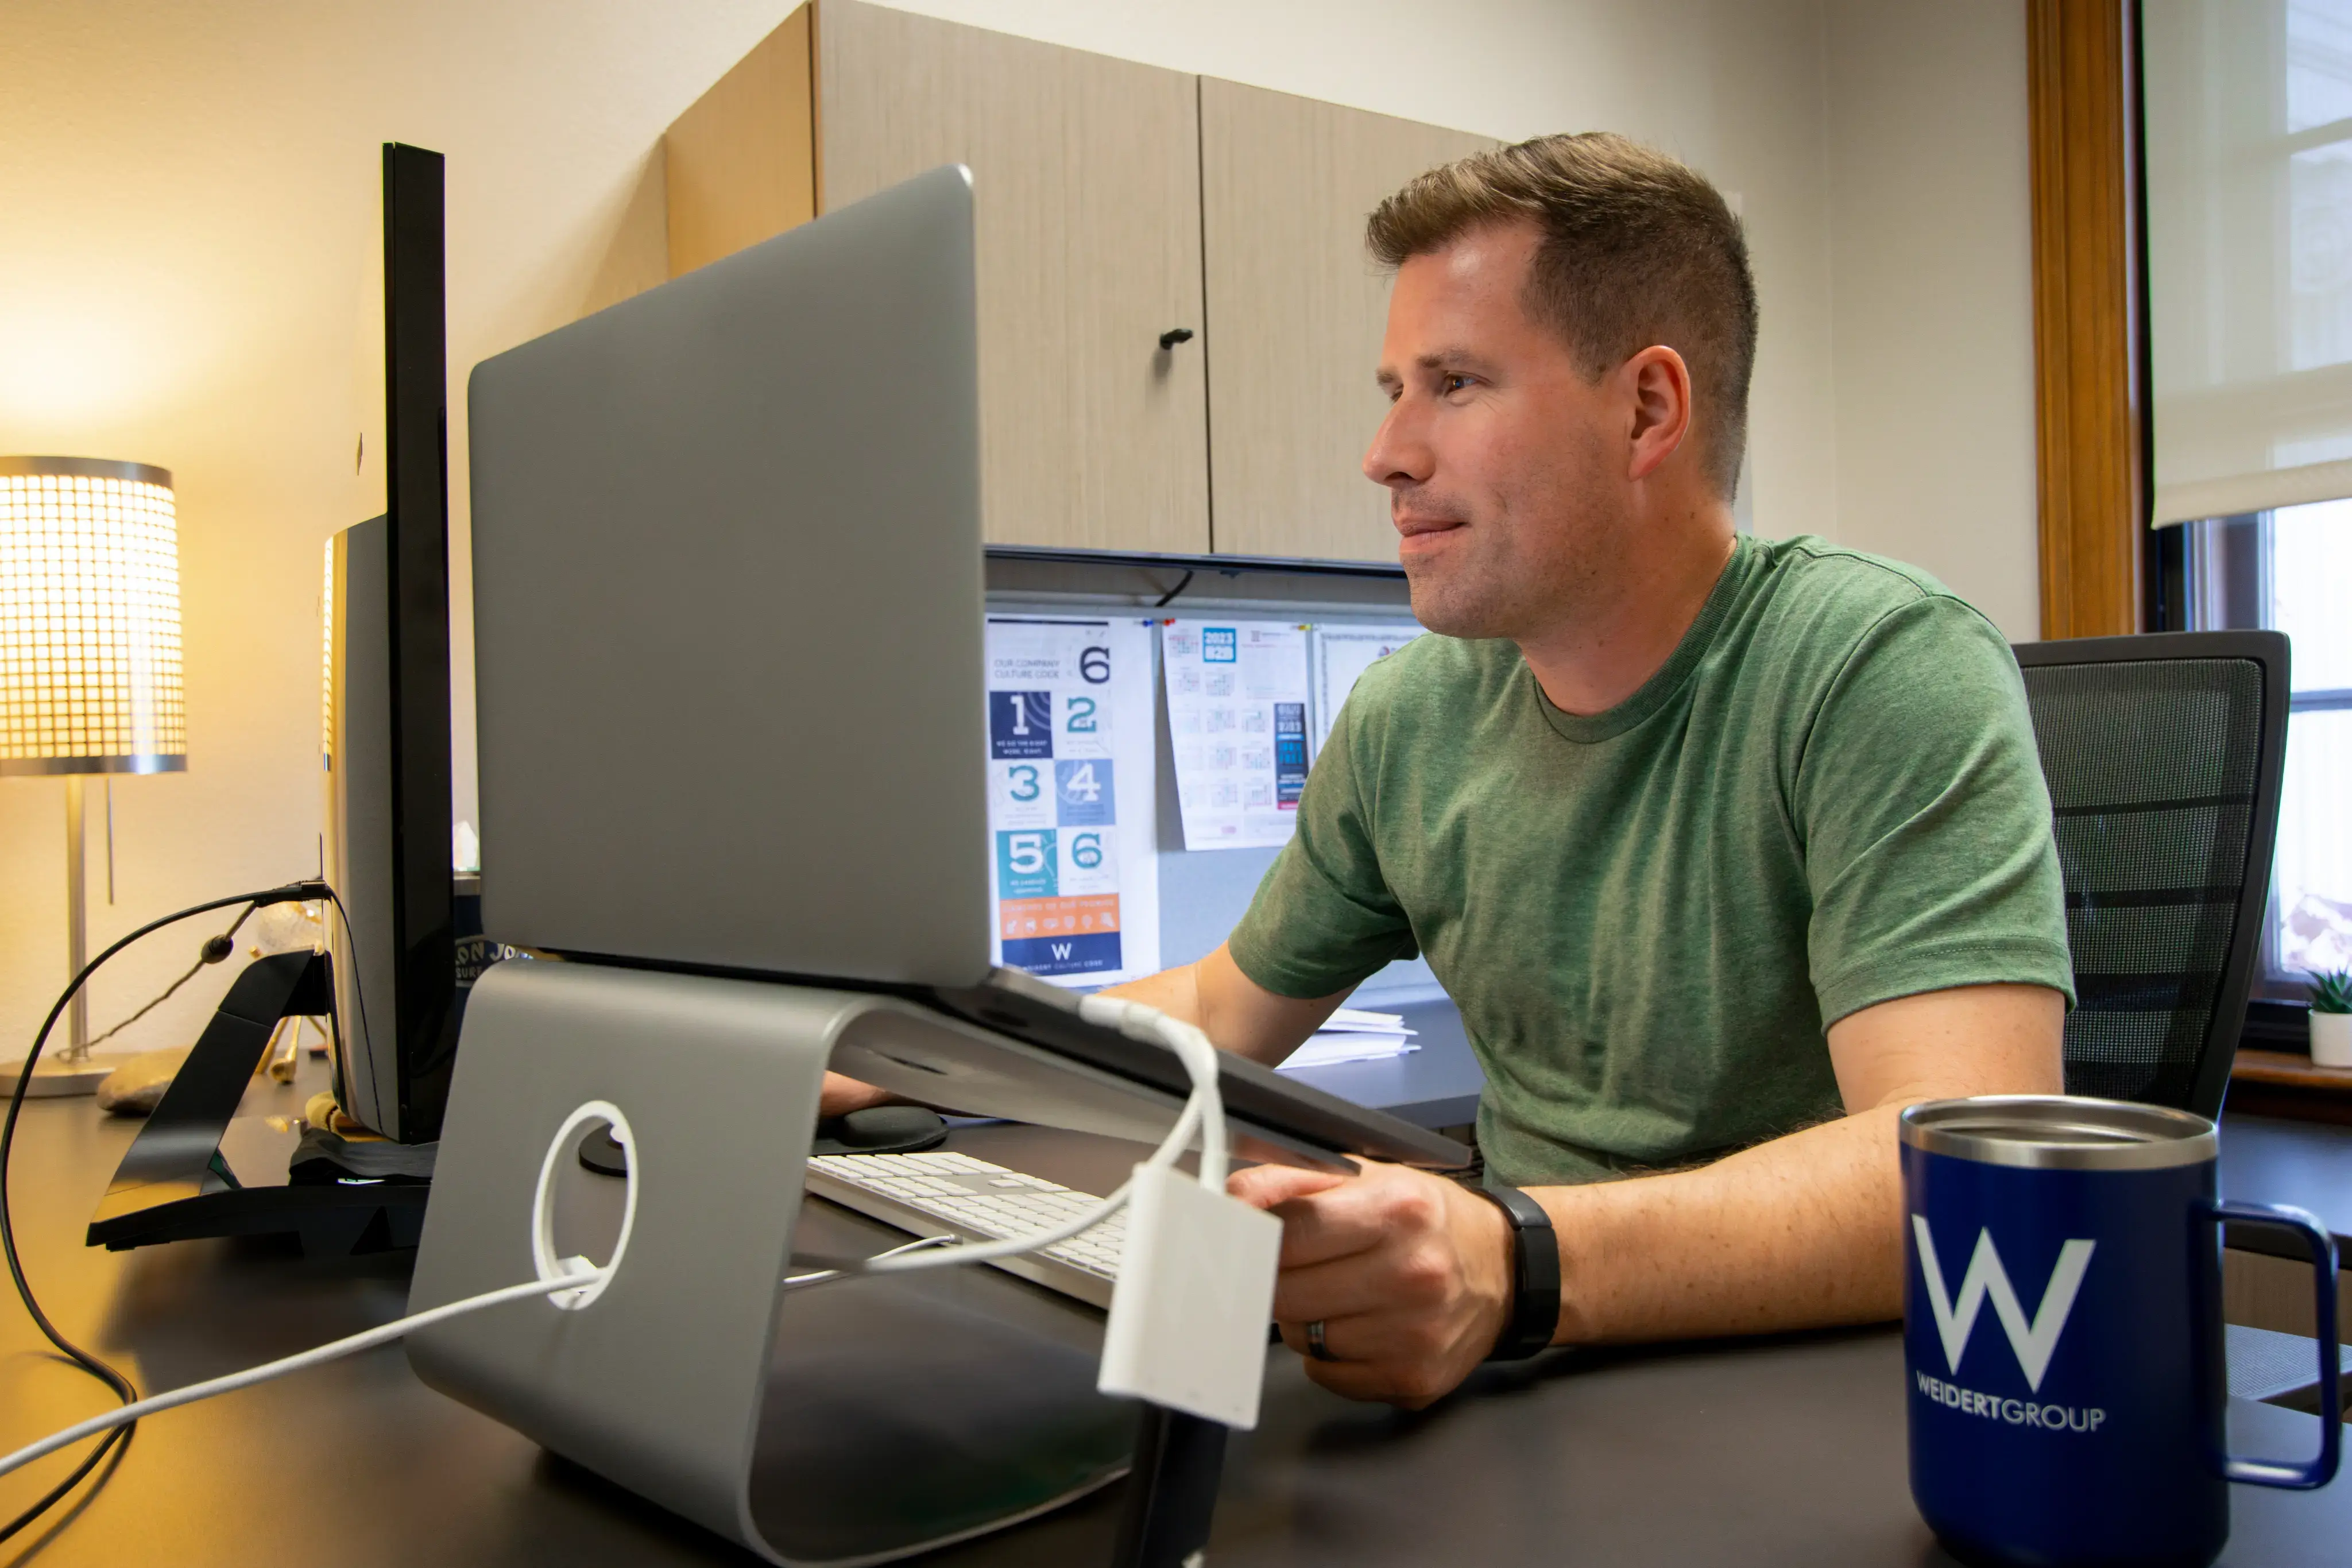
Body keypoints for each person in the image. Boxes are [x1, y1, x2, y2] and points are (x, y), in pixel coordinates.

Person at [833, 132, 2073, 1408]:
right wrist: (905, 1047)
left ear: (1646, 408)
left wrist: (1516, 1259)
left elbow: (1966, 1171)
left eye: (1455, 384)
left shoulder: (1876, 668)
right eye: (1391, 388)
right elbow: (1218, 1010)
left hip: (1819, 1394)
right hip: (1536, 1365)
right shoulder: (1409, 720)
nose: (1385, 451)